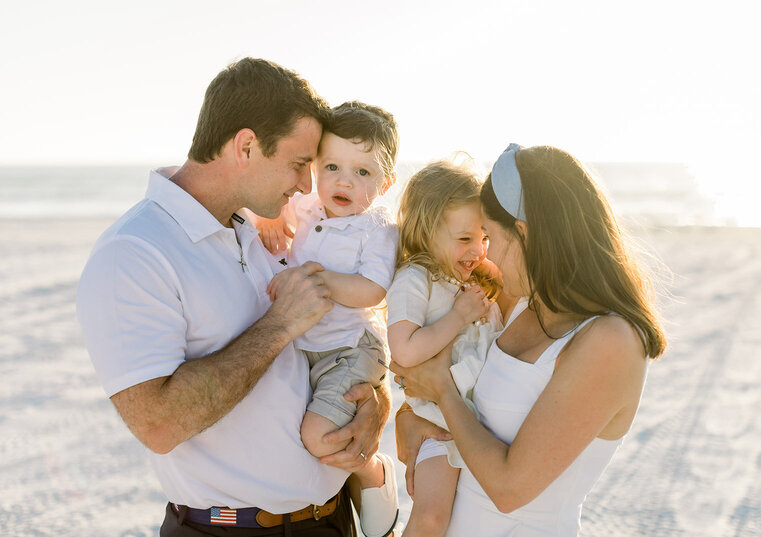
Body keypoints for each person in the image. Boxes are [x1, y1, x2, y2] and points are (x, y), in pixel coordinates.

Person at [76, 58, 396, 537]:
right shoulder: (135, 252)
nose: (308, 186)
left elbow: (332, 341)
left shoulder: (266, 230)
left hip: (331, 523)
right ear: (246, 146)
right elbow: (158, 425)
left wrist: (374, 401)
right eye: (297, 164)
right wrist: (280, 324)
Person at [392, 144, 666, 536]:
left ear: (523, 235)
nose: (487, 256)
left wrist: (443, 395)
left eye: (489, 237)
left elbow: (509, 488)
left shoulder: (611, 340)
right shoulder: (519, 303)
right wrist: (409, 419)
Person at [253, 101, 401, 537]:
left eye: (363, 172)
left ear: (386, 183)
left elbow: (372, 290)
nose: (343, 181)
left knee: (319, 437)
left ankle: (371, 473)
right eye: (332, 165)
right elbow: (275, 213)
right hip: (307, 348)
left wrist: (312, 278)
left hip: (351, 348)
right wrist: (271, 219)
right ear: (315, 167)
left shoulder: (377, 229)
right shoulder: (308, 206)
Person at [384, 160, 506, 536]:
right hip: (438, 425)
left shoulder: (466, 279)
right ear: (426, 230)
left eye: (484, 238)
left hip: (477, 425)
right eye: (465, 239)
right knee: (431, 519)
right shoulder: (414, 280)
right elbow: (403, 350)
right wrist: (458, 317)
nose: (478, 250)